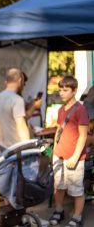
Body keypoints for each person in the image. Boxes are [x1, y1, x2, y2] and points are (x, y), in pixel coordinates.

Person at [49, 76, 89, 227]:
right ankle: (59, 210)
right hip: (59, 155)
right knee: (58, 186)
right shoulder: (60, 109)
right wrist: (54, 152)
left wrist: (75, 157)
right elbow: (59, 130)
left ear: (74, 91)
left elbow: (83, 135)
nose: (61, 93)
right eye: (60, 90)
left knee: (76, 189)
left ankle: (77, 217)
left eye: (65, 90)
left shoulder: (81, 110)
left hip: (74, 157)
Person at [0, 68, 31, 148]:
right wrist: (28, 147)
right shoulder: (17, 100)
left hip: (3, 147)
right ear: (20, 80)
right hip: (17, 149)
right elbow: (21, 125)